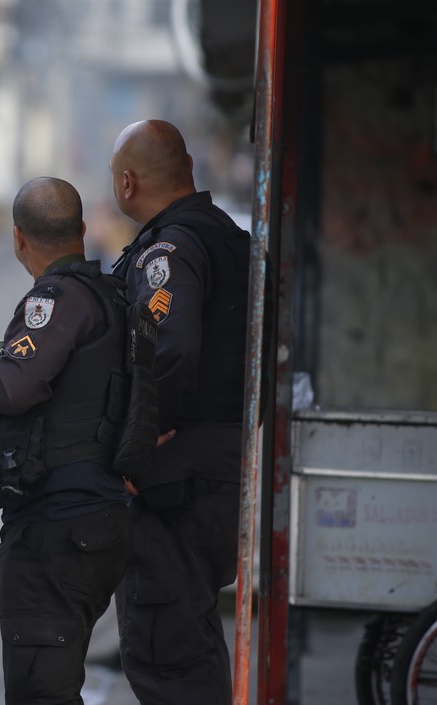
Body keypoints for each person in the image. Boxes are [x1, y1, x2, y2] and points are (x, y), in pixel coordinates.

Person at [0, 176, 145, 705]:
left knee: (41, 692)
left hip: (59, 527)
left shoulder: (56, 298)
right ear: (82, 230)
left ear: (18, 239)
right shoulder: (110, 295)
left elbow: (15, 384)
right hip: (93, 518)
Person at [108, 119, 272, 705]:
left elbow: (168, 349)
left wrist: (137, 440)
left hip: (177, 475)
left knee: (165, 651)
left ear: (127, 182)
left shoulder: (169, 249)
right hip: (221, 465)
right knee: (190, 638)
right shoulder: (231, 239)